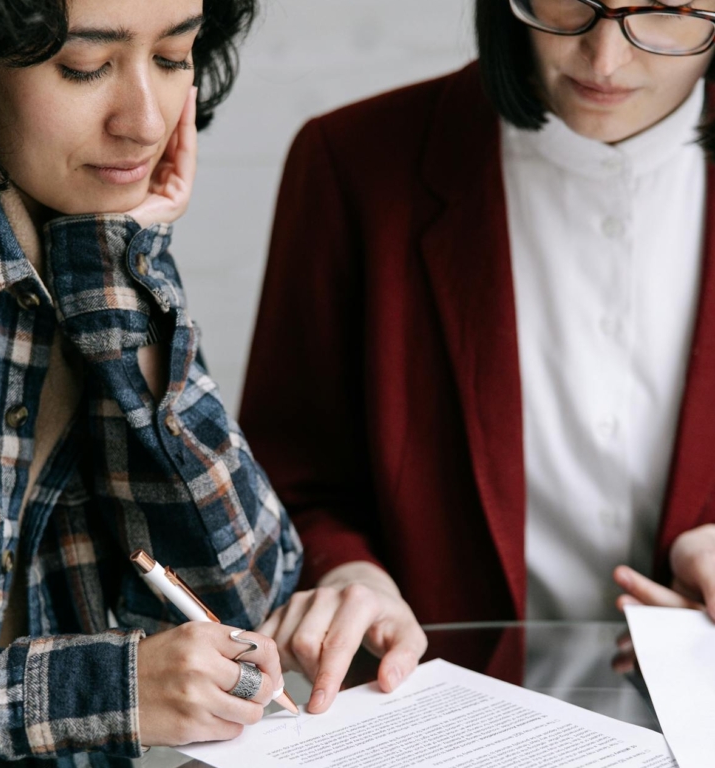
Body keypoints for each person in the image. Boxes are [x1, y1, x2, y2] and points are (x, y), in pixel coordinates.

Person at [241, 0, 715, 716]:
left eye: (668, 9)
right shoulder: (356, 162)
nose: (604, 60)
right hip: (439, 717)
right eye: (568, 1)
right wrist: (349, 571)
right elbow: (288, 476)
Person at [0, 0, 304, 761]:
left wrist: (117, 262)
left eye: (175, 58)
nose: (145, 122)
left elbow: (243, 603)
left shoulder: (80, 251)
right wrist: (112, 689)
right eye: (85, 67)